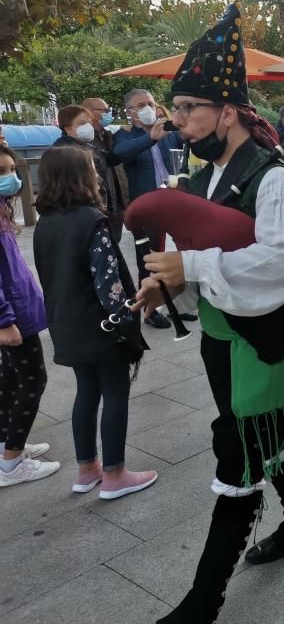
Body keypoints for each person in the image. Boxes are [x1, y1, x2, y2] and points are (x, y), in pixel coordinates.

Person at [132, 5, 284, 623]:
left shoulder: (273, 180)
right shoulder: (209, 176)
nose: (178, 121)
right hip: (221, 335)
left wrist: (192, 269)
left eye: (189, 108)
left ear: (229, 110)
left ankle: (202, 601)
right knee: (270, 430)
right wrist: (168, 284)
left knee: (240, 451)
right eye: (176, 109)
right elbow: (195, 251)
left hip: (267, 336)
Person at [33, 145, 156, 498]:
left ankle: (87, 469)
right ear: (80, 176)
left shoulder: (45, 223)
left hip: (66, 324)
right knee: (115, 392)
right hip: (100, 325)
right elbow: (108, 282)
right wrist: (125, 318)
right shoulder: (92, 221)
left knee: (86, 391)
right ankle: (116, 474)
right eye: (91, 167)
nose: (97, 174)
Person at [0, 146, 60, 488]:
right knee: (32, 381)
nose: (9, 179)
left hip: (16, 311)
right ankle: (12, 462)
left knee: (9, 380)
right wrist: (4, 320)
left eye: (10, 169)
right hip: (11, 317)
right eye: (1, 171)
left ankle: (7, 446)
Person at [111, 89, 182, 330]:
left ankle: (177, 302)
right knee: (149, 258)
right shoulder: (125, 135)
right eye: (141, 105)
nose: (148, 108)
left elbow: (184, 146)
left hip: (173, 199)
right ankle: (151, 309)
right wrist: (150, 138)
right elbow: (120, 154)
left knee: (183, 251)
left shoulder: (167, 130)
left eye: (150, 103)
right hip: (146, 205)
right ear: (130, 112)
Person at [81, 98, 128, 242]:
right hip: (98, 203)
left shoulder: (111, 137)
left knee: (115, 241)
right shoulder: (83, 140)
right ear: (88, 112)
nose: (109, 114)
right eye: (104, 110)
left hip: (118, 203)